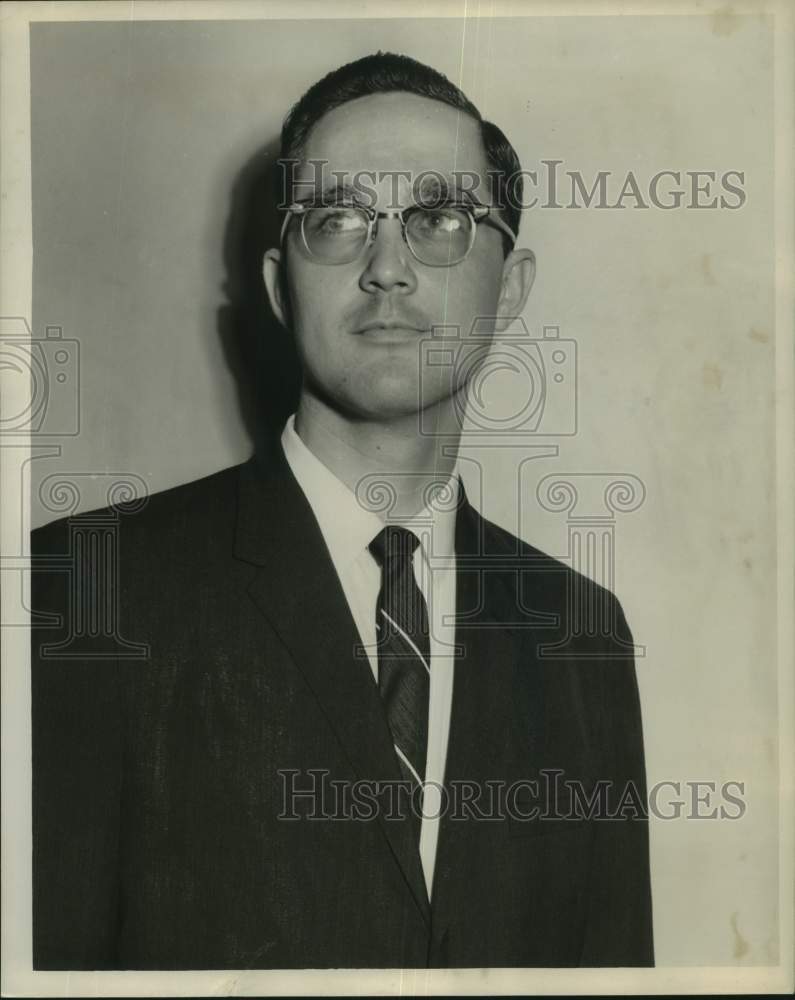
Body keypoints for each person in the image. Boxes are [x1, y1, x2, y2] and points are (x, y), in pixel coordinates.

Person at [30, 52, 653, 969]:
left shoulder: (583, 637)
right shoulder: (84, 592)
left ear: (510, 288)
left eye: (439, 218)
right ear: (283, 287)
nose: (387, 267)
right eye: (339, 218)